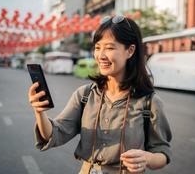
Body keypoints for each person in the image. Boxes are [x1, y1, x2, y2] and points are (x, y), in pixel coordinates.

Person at [28, 15, 172, 174]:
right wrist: (39, 111)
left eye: (109, 48)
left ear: (130, 51)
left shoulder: (149, 103)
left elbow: (162, 152)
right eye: (97, 47)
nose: (101, 55)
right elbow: (55, 134)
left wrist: (148, 158)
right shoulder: (84, 95)